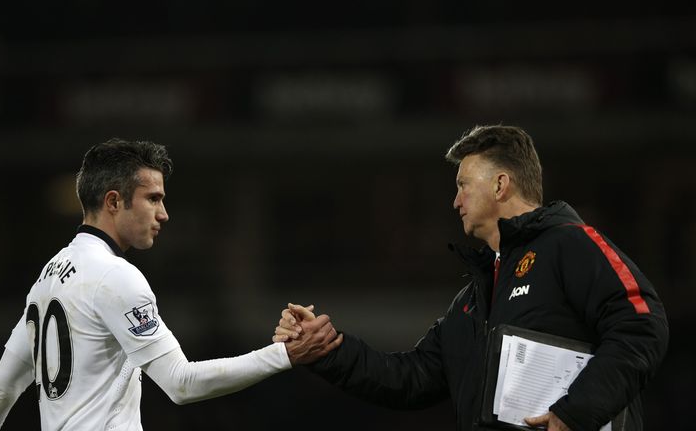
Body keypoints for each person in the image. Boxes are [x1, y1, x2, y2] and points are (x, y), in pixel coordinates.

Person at [274, 125, 669, 431]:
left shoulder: (570, 245)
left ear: (500, 184)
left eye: (463, 185)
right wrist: (326, 350)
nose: (456, 201)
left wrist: (575, 413)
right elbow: (408, 379)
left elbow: (642, 325)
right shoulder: (472, 300)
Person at [0, 138, 340, 430]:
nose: (163, 213)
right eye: (153, 198)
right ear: (114, 201)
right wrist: (286, 355)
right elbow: (182, 383)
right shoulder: (115, 276)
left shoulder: (47, 279)